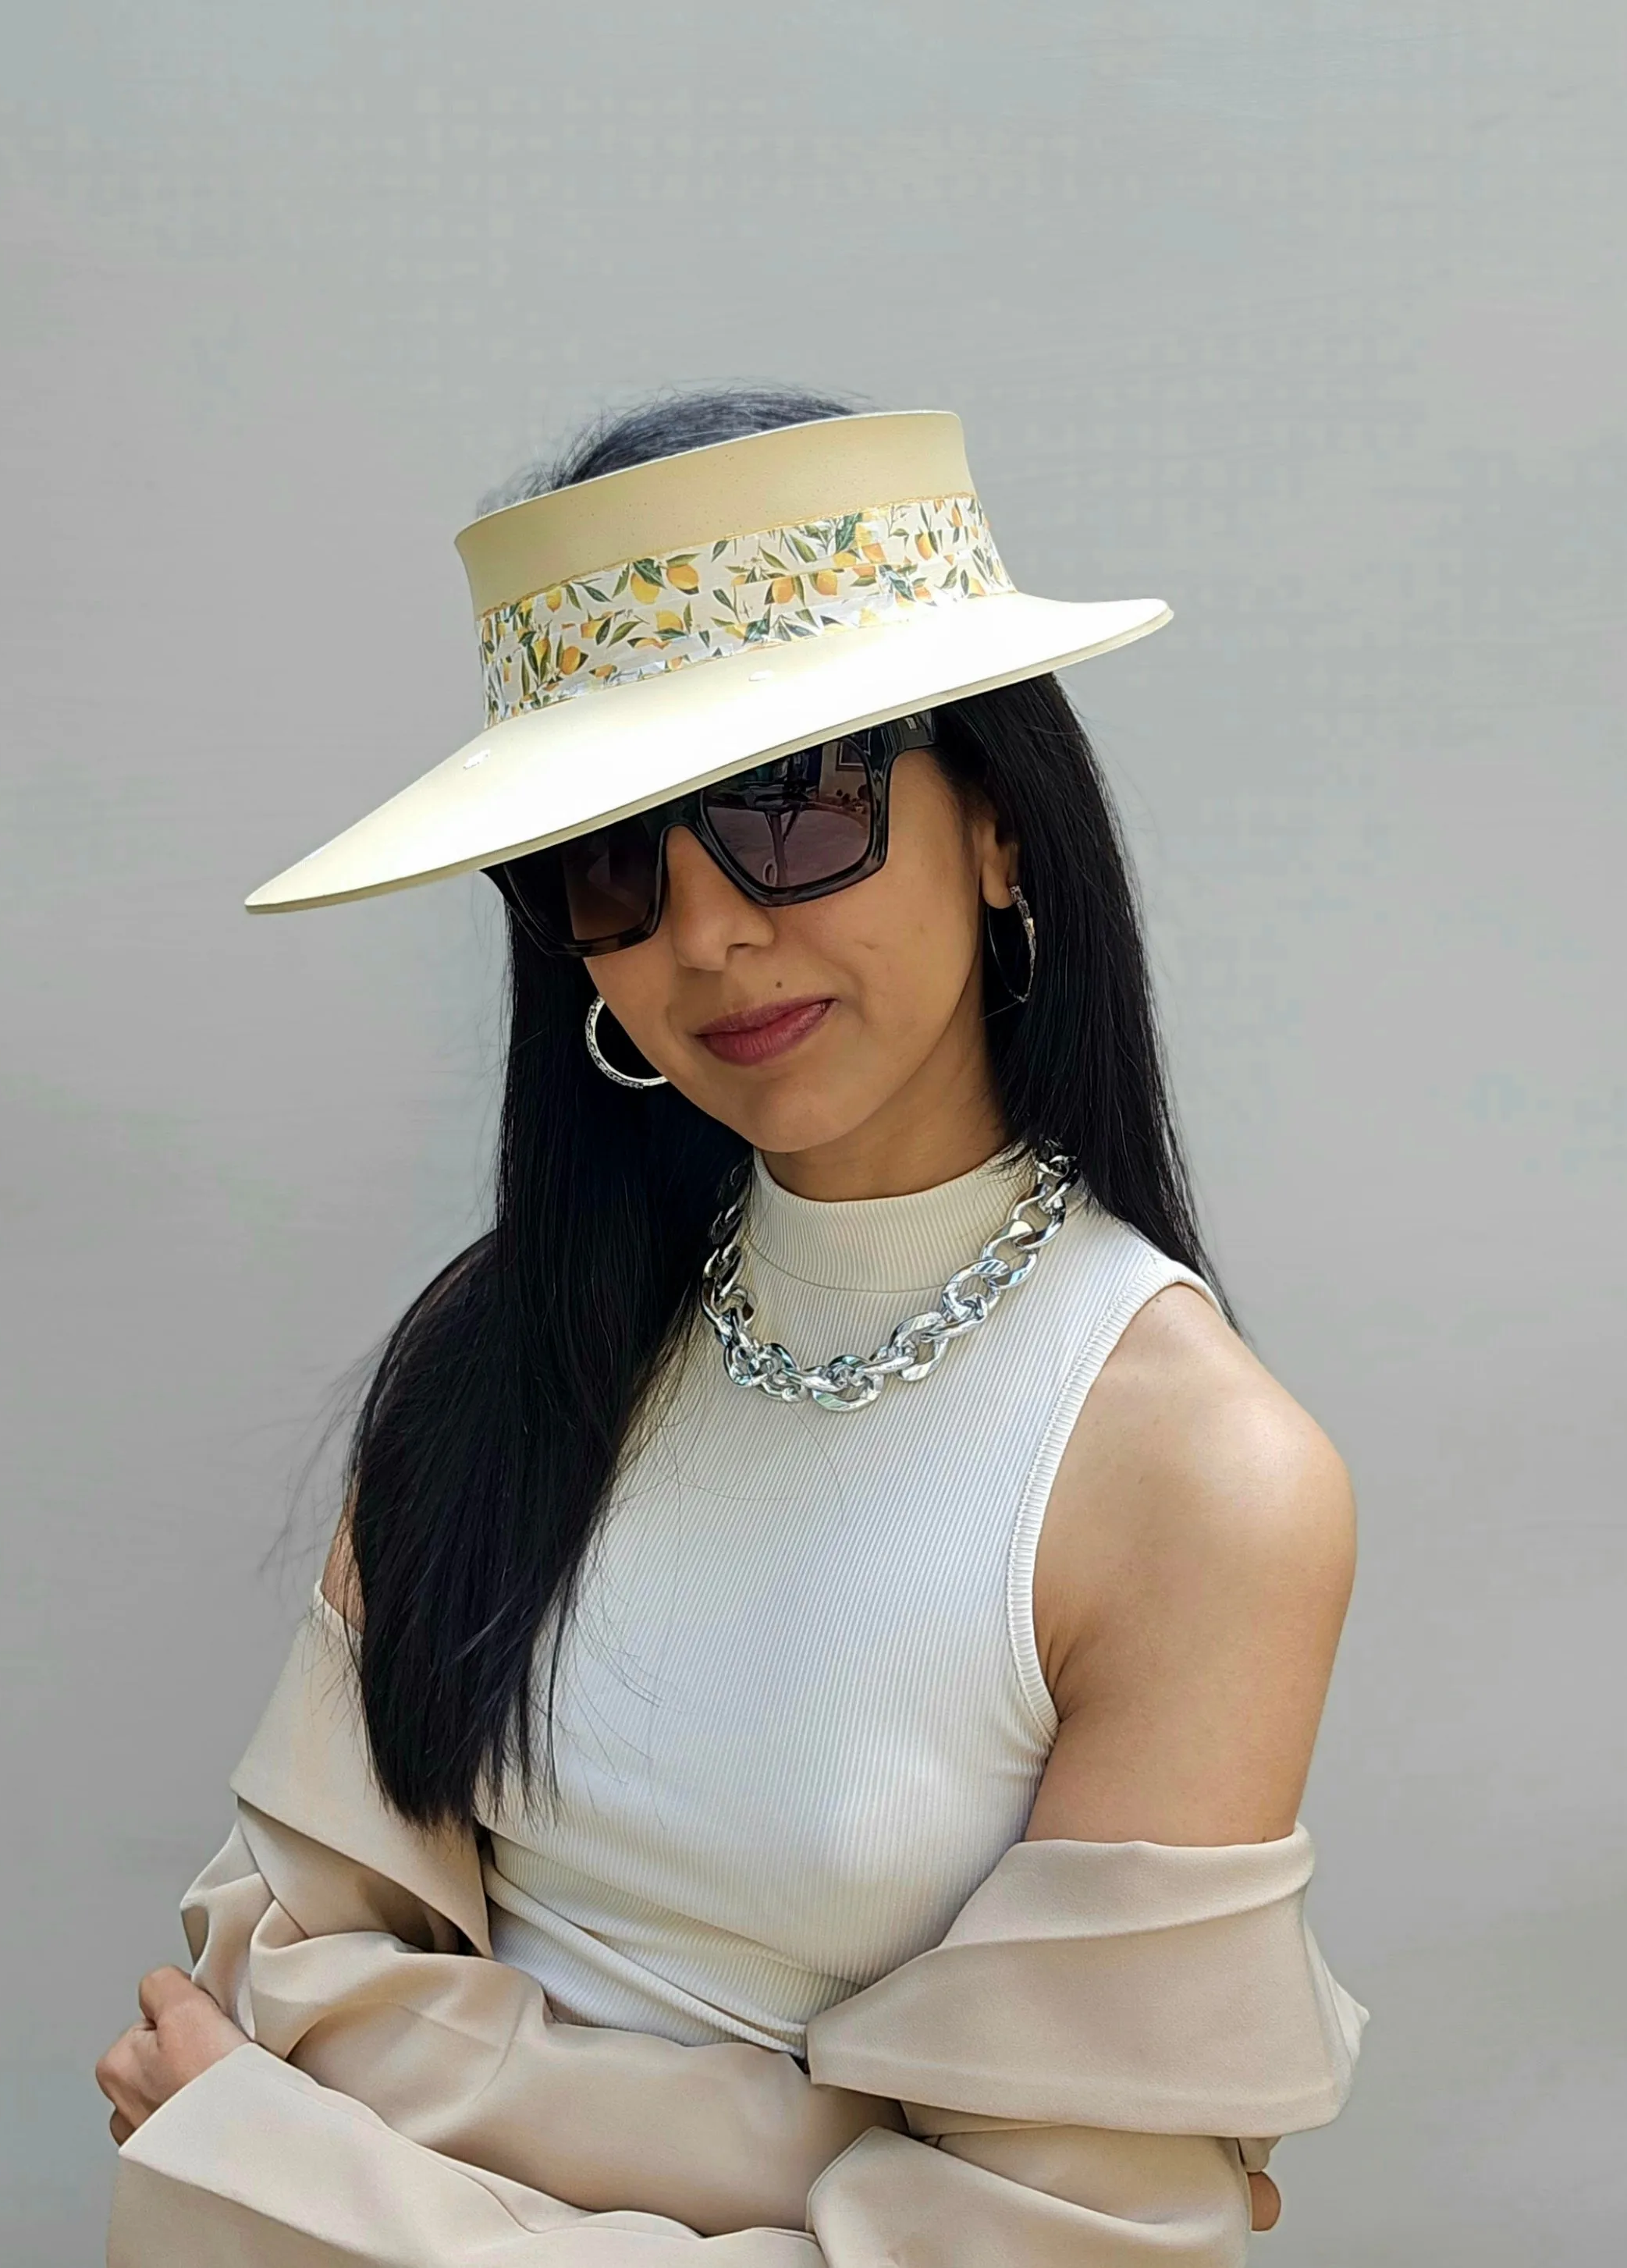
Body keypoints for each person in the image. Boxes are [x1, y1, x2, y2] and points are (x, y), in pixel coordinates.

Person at [96, 389, 1364, 2265]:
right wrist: (819, 2139)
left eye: (792, 810)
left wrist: (304, 2164)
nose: (706, 936)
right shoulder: (502, 1350)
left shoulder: (1196, 1478)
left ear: (999, 828)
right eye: (611, 864)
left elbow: (1044, 2238)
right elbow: (263, 1958)